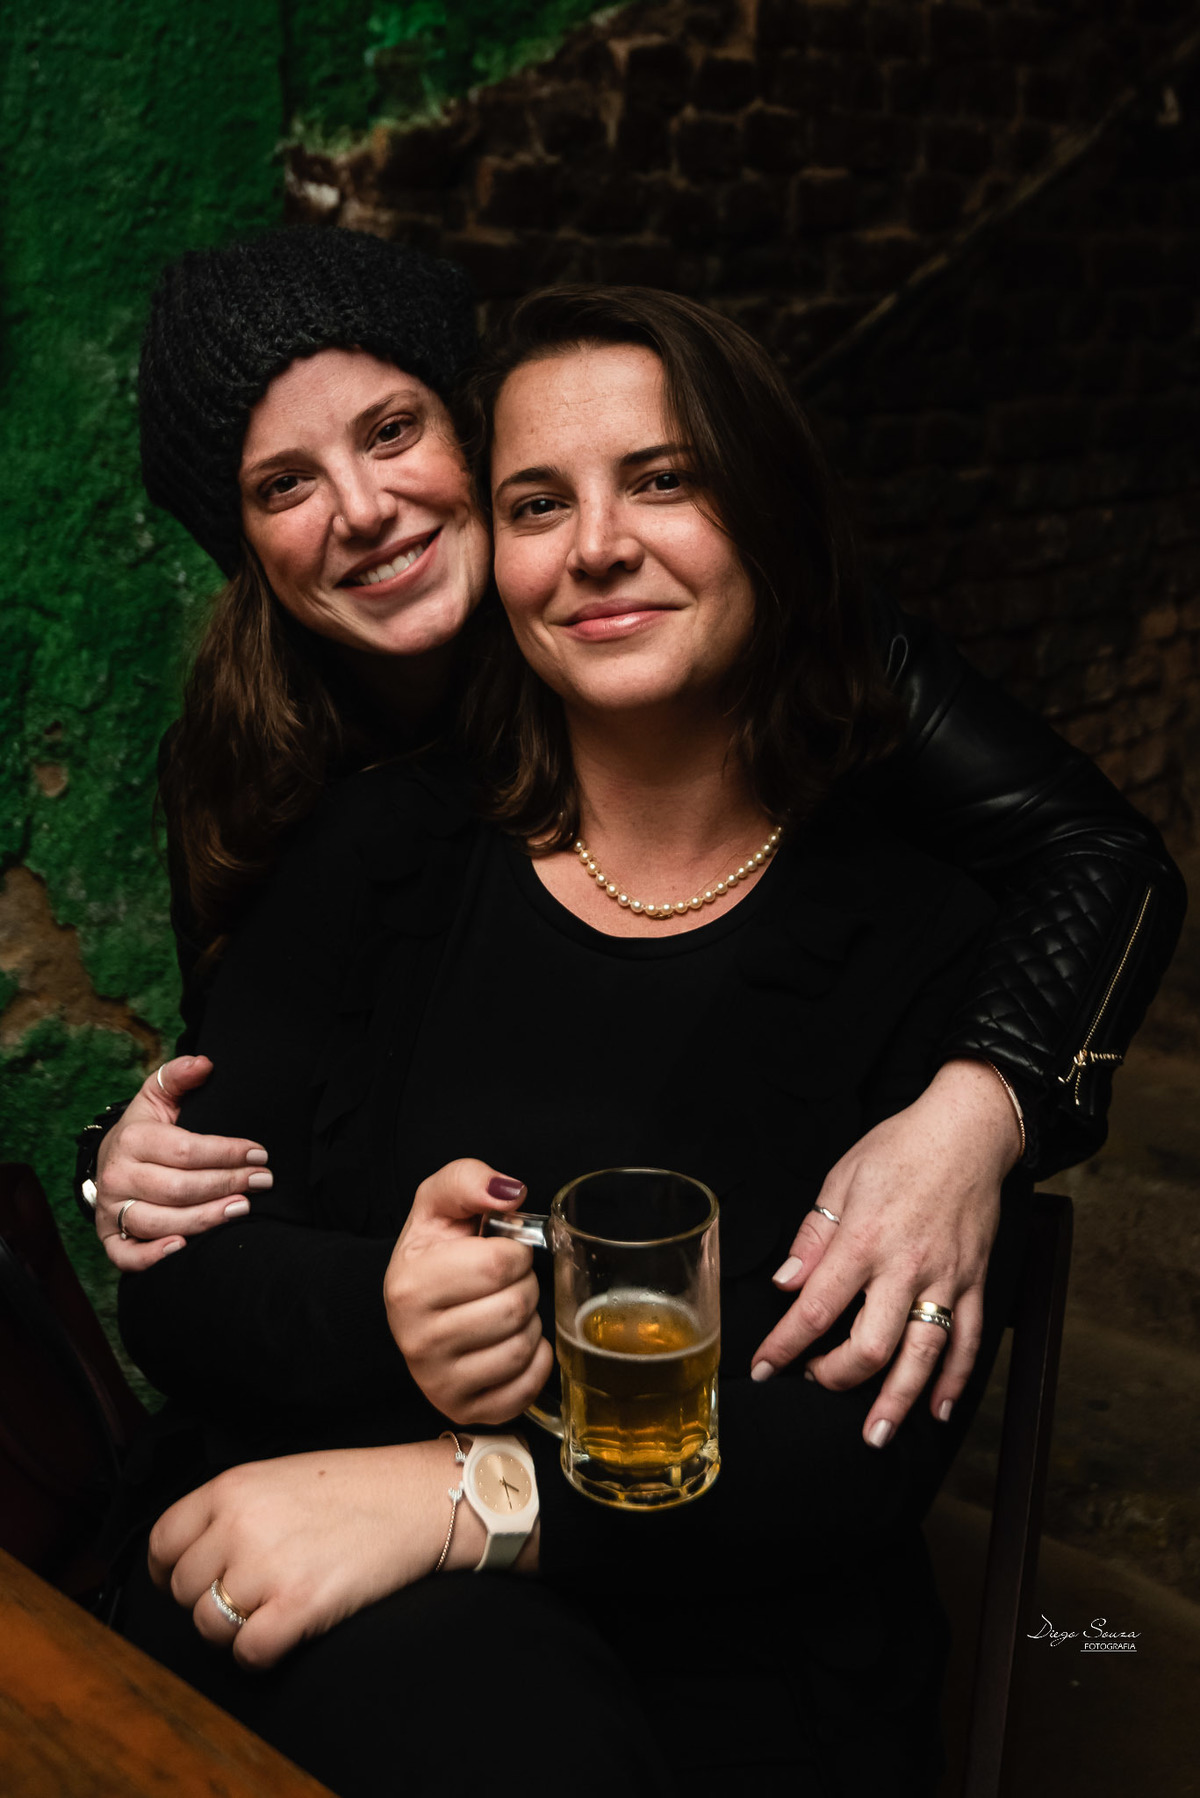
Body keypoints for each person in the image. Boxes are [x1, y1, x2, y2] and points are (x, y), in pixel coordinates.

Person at [112, 285, 1146, 1795]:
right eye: (540, 502)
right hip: (327, 1577)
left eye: (663, 479)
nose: (597, 544)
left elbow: (853, 1444)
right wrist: (371, 1297)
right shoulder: (369, 843)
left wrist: (464, 1492)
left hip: (738, 1646)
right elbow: (182, 1282)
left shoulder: (926, 929)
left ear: (769, 514)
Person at [80, 228, 1184, 1415]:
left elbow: (1097, 850)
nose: (363, 509)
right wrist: (122, 1157)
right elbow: (247, 1087)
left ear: (472, 437)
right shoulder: (246, 762)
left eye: (392, 431)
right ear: (242, 539)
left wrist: (978, 1110)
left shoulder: (708, 622)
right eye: (283, 484)